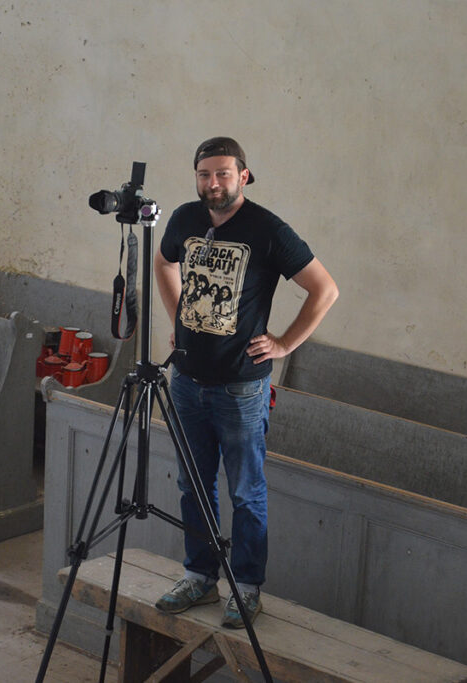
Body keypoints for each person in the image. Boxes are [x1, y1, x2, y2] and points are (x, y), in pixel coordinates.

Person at [153, 136, 338, 628]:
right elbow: (164, 262)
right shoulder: (184, 220)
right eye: (203, 174)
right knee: (193, 484)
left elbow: (325, 289)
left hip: (241, 388)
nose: (212, 183)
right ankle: (199, 576)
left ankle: (247, 585)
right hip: (187, 380)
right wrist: (179, 317)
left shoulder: (267, 229)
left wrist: (284, 344)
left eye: (222, 173)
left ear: (243, 176)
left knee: (245, 491)